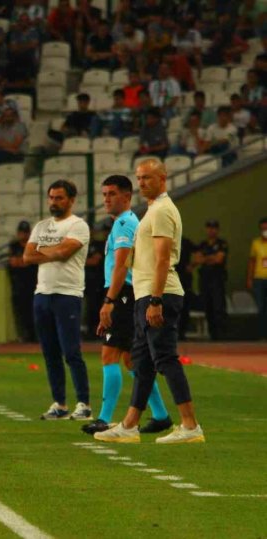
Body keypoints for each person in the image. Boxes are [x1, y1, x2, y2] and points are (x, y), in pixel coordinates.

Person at [95, 159, 205, 444]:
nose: (142, 182)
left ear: (163, 178)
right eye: (139, 178)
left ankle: (190, 425)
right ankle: (130, 425)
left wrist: (156, 299)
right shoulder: (153, 211)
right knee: (142, 363)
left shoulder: (163, 211)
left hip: (160, 294)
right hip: (145, 294)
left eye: (147, 178)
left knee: (165, 358)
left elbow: (163, 258)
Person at [82, 175, 172, 435]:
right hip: (127, 294)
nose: (106, 199)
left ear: (126, 196)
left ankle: (103, 418)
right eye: (104, 194)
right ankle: (161, 414)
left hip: (124, 294)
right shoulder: (127, 223)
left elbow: (121, 265)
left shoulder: (124, 224)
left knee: (109, 354)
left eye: (111, 194)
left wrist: (109, 300)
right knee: (131, 360)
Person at [23, 180, 92, 420]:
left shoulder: (79, 225)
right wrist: (53, 253)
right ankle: (60, 404)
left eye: (59, 198)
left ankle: (83, 403)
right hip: (42, 294)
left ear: (71, 200)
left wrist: (43, 253)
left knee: (71, 352)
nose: (54, 202)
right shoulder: (41, 226)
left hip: (67, 294)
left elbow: (65, 253)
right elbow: (26, 257)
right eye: (51, 197)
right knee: (50, 353)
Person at [194, 220, 228, 340]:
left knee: (218, 307)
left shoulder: (222, 244)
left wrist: (205, 258)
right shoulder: (202, 244)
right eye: (209, 227)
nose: (211, 230)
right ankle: (212, 334)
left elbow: (219, 259)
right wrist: (211, 258)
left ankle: (221, 335)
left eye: (214, 228)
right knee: (208, 307)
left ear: (217, 230)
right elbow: (197, 260)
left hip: (217, 280)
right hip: (205, 280)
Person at [7, 221, 37, 343]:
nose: (24, 235)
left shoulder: (33, 245)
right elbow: (14, 262)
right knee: (21, 313)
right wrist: (24, 261)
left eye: (26, 232)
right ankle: (24, 336)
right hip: (18, 285)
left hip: (33, 285)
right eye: (21, 232)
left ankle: (34, 336)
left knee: (34, 312)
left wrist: (24, 261)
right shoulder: (14, 245)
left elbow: (31, 261)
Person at [84, 222, 106, 339]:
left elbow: (95, 260)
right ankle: (90, 332)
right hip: (87, 282)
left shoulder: (98, 245)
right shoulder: (83, 245)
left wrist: (81, 261)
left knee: (98, 307)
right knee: (90, 308)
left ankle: (99, 332)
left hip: (98, 281)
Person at [248, 217, 267, 341]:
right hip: (259, 279)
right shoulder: (256, 243)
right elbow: (252, 262)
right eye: (263, 229)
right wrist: (249, 279)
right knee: (261, 308)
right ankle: (263, 334)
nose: (265, 231)